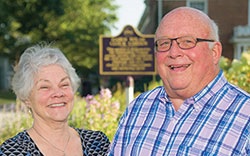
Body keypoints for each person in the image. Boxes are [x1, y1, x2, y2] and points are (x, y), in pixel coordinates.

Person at [109, 6, 250, 156]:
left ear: (214, 52)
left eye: (187, 41)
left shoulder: (246, 117)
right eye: (164, 43)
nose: (174, 52)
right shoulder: (138, 108)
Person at [0, 43, 110, 156]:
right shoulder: (12, 151)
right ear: (26, 98)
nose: (58, 93)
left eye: (64, 84)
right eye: (45, 87)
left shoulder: (98, 143)